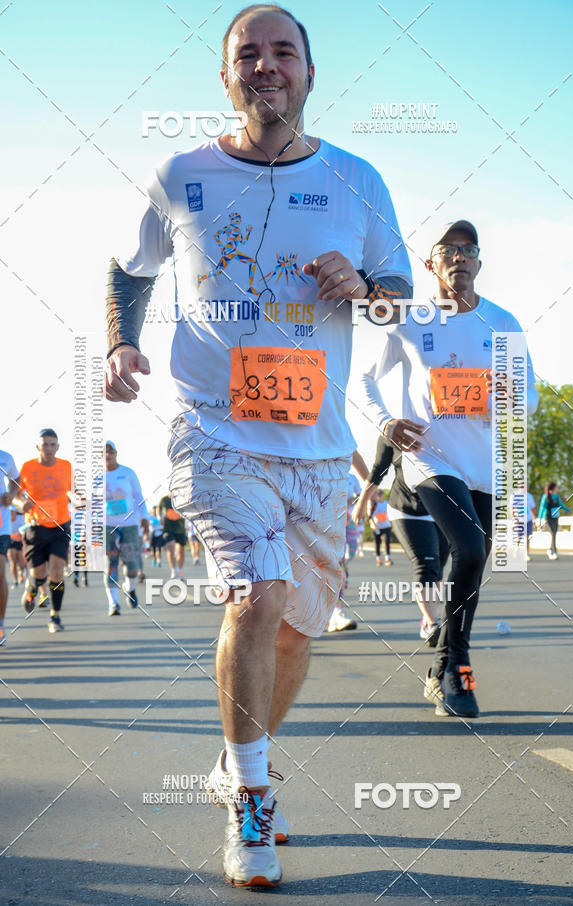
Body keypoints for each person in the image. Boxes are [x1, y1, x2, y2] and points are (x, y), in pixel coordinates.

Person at [104, 2, 412, 887]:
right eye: (250, 53)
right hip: (212, 431)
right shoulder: (182, 175)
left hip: (317, 448)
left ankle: (236, 756)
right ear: (228, 75)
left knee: (297, 632)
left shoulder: (357, 181)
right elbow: (129, 271)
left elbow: (395, 294)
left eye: (285, 53)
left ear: (311, 74)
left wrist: (367, 287)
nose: (267, 66)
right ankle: (253, 800)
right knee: (258, 594)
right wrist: (123, 341)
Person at [362, 219, 537, 718]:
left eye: (468, 250)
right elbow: (367, 378)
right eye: (448, 250)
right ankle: (455, 665)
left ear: (479, 263)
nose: (459, 257)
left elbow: (532, 397)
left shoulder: (503, 323)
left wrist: (510, 401)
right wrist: (387, 422)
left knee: (472, 565)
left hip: (483, 465)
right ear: (431, 263)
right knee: (471, 546)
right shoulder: (410, 320)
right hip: (429, 459)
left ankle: (443, 666)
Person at [353, 434, 450, 646]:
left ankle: (427, 618)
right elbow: (378, 470)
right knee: (426, 565)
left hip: (441, 509)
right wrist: (362, 503)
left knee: (439, 567)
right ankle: (432, 624)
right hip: (406, 509)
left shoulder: (445, 428)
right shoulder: (392, 431)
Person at [16, 430, 74, 633]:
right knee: (38, 574)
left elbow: (73, 491)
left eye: (52, 445)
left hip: (60, 525)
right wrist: (20, 503)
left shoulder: (66, 466)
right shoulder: (27, 468)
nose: (49, 449)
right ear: (38, 447)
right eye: (45, 445)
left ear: (57, 447)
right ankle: (32, 588)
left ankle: (55, 616)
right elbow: (14, 494)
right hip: (36, 528)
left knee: (57, 572)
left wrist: (79, 499)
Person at [105, 441, 149, 615]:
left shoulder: (127, 473)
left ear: (116, 453)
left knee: (132, 565)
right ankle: (113, 603)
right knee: (111, 563)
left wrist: (144, 517)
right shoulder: (95, 477)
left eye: (110, 451)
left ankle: (129, 588)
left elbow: (138, 496)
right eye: (103, 452)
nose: (107, 455)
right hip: (107, 524)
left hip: (129, 523)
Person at [327, 450, 368, 632]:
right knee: (334, 567)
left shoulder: (351, 477)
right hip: (319, 522)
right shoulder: (321, 471)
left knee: (344, 560)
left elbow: (360, 495)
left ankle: (334, 612)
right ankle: (335, 612)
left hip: (346, 521)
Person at [0, 450, 20, 646]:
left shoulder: (5, 457)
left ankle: (1, 626)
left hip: (1, 526)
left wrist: (11, 495)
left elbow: (16, 479)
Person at [538, 482, 570, 560]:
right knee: (552, 532)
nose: (557, 489)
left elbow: (560, 505)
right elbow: (542, 508)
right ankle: (554, 552)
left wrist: (567, 509)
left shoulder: (556, 496)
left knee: (554, 534)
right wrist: (539, 518)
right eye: (556, 488)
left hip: (555, 517)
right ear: (552, 489)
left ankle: (550, 550)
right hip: (548, 517)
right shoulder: (545, 496)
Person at [159, 495, 187, 579]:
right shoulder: (164, 499)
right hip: (168, 528)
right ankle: (173, 570)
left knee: (181, 551)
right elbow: (159, 509)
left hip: (180, 528)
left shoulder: (182, 498)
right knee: (170, 546)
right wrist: (159, 517)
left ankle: (180, 570)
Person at [368, 489, 393, 566]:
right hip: (376, 527)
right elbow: (370, 516)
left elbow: (391, 514)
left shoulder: (387, 503)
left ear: (382, 495)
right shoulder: (374, 504)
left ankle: (387, 558)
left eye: (380, 495)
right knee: (377, 543)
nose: (379, 496)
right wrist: (374, 526)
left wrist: (392, 524)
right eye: (378, 495)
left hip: (386, 526)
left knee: (386, 541)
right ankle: (378, 558)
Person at [8, 507, 28, 589]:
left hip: (20, 541)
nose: (12, 513)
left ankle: (21, 571)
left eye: (13, 511)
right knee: (12, 561)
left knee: (21, 563)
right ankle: (15, 581)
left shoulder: (22, 517)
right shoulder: (7, 517)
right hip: (10, 541)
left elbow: (25, 528)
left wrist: (21, 534)